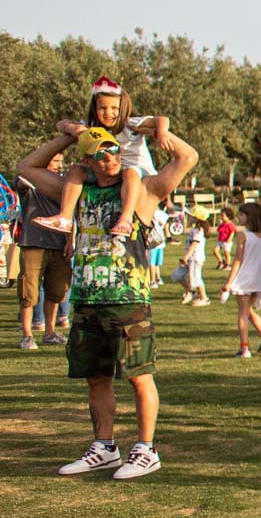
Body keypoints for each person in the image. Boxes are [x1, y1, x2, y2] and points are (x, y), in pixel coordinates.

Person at [18, 121, 200, 480]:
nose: (109, 157)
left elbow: (187, 157)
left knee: (139, 377)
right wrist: (68, 136)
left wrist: (155, 131)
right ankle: (104, 447)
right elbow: (28, 168)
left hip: (128, 300)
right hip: (87, 299)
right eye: (100, 153)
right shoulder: (76, 190)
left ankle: (146, 450)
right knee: (96, 378)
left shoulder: (143, 190)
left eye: (113, 149)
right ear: (87, 160)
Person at [31, 78, 163, 249]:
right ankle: (64, 217)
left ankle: (126, 218)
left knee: (130, 173)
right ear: (95, 109)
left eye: (114, 108)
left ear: (122, 108)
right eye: (103, 108)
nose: (109, 113)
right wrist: (71, 129)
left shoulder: (129, 124)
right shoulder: (93, 129)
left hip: (138, 172)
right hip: (112, 171)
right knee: (76, 170)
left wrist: (163, 133)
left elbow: (161, 119)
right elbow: (60, 123)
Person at [15, 150, 72, 351]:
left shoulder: (65, 186)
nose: (58, 165)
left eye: (60, 161)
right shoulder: (30, 183)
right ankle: (27, 335)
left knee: (56, 291)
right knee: (28, 292)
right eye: (54, 161)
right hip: (33, 243)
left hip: (59, 243)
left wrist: (70, 241)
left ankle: (50, 332)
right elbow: (21, 179)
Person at [228, 201, 261, 358]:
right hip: (258, 279)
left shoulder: (243, 235)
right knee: (248, 311)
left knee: (242, 313)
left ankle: (244, 348)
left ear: (250, 217)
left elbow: (237, 259)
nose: (238, 217)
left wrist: (229, 282)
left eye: (241, 215)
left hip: (245, 278)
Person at [176, 208, 211, 307]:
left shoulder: (198, 231)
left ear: (196, 218)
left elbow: (194, 245)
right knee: (177, 275)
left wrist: (185, 258)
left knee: (196, 279)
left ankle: (204, 298)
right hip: (190, 258)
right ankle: (189, 292)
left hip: (194, 258)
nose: (188, 217)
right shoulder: (194, 230)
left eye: (190, 216)